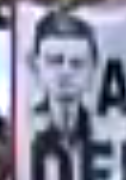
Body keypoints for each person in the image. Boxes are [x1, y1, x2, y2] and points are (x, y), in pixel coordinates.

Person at [25, 9, 99, 150]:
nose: (66, 72)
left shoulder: (102, 127)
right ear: (36, 65)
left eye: (77, 63)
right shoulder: (25, 124)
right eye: (55, 61)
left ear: (92, 69)